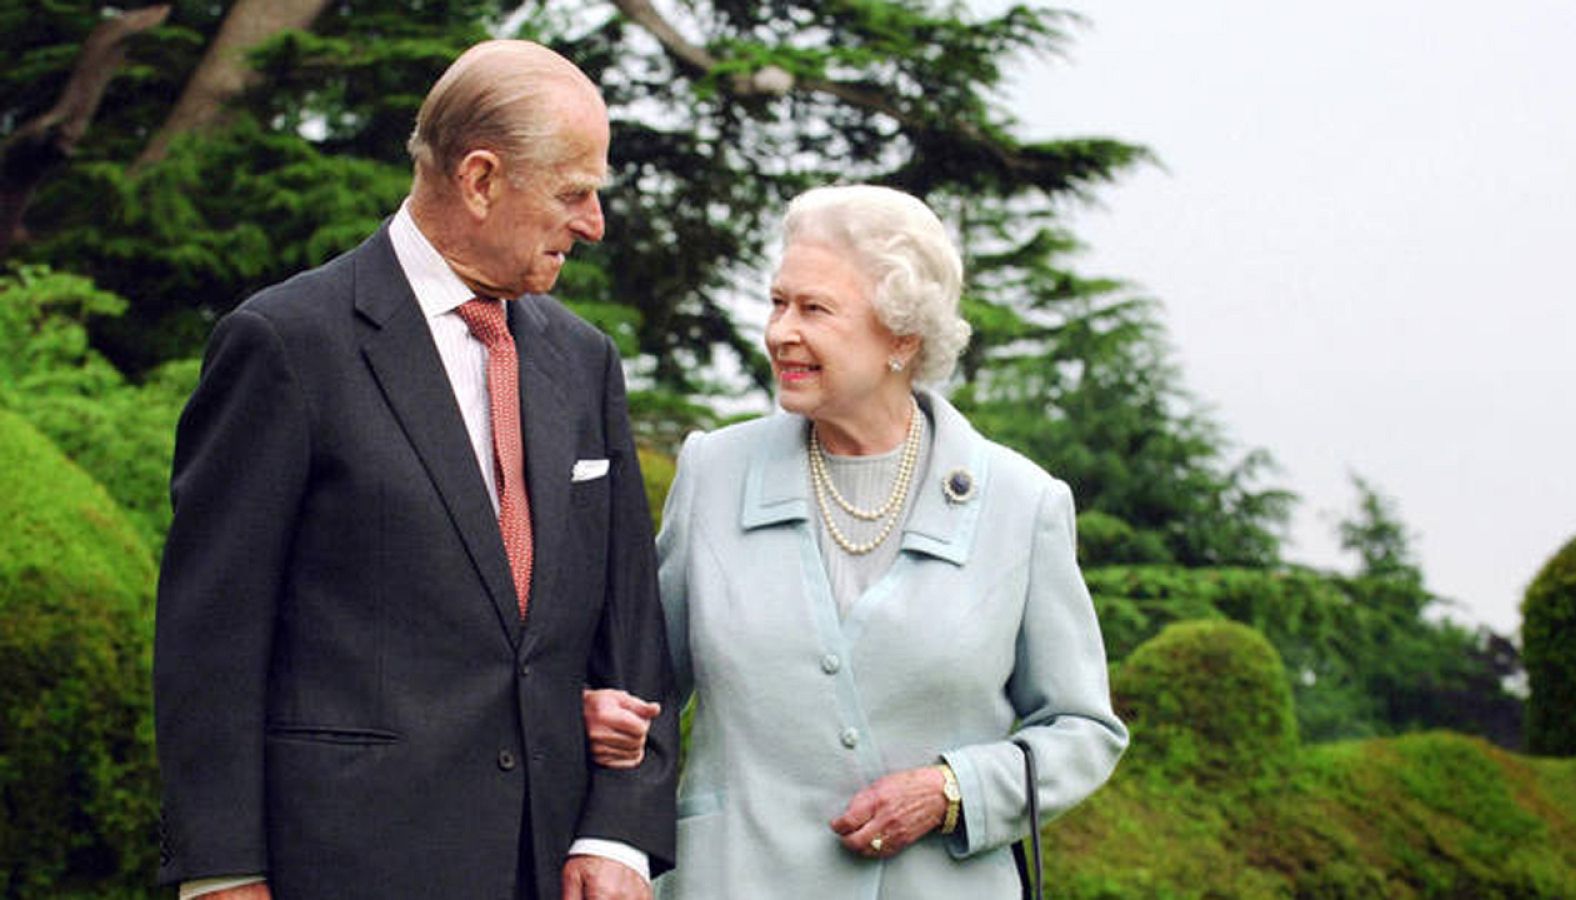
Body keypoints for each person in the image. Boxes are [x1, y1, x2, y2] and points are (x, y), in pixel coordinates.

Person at [153, 40, 676, 900]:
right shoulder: (285, 344)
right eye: (574, 192)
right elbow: (206, 642)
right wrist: (217, 874)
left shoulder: (585, 361)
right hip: (347, 865)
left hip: (552, 867)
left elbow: (631, 631)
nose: (593, 223)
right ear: (479, 179)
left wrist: (619, 832)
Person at [583, 184, 1128, 898]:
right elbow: (643, 684)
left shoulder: (1022, 505)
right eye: (778, 303)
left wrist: (954, 790)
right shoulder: (715, 472)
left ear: (902, 336)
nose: (781, 331)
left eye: (814, 309)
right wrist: (597, 707)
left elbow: (1083, 728)